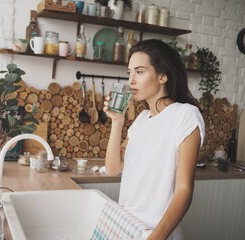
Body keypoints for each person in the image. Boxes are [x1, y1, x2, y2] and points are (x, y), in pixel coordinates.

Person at [103, 39, 205, 240]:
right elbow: (113, 168)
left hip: (156, 234)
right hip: (127, 228)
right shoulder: (141, 120)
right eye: (129, 73)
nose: (131, 80)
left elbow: (184, 191)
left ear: (163, 76)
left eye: (139, 72)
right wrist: (117, 121)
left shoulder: (186, 115)